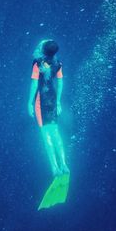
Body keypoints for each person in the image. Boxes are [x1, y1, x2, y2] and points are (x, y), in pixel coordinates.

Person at [28, 39, 70, 177]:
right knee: (56, 133)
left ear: (43, 50)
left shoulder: (37, 64)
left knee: (46, 135)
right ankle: (64, 164)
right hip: (52, 99)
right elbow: (60, 82)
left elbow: (34, 85)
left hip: (41, 101)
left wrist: (29, 103)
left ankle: (55, 168)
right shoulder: (58, 63)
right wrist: (58, 102)